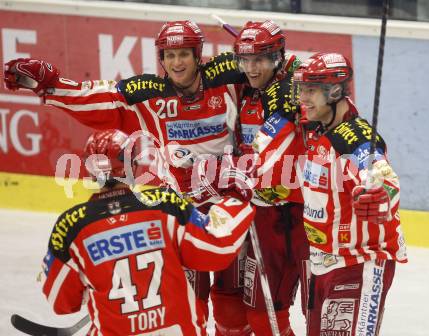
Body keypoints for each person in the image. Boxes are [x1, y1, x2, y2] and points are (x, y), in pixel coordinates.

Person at [3, 19, 247, 323]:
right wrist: (50, 86)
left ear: (198, 55)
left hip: (227, 206)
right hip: (181, 215)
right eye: (169, 56)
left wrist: (259, 48)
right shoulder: (147, 93)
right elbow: (95, 98)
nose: (176, 62)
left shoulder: (230, 77)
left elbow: (271, 69)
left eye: (183, 54)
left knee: (232, 309)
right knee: (187, 301)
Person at [40, 128, 256, 336]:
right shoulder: (166, 205)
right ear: (133, 166)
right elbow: (215, 247)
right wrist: (235, 198)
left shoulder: (71, 226)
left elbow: (61, 302)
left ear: (89, 171)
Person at [291, 52, 407, 335]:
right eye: (301, 89)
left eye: (311, 91)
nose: (302, 98)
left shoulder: (353, 136)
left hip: (359, 261)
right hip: (323, 261)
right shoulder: (318, 127)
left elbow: (383, 174)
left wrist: (380, 193)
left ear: (334, 92)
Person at [210, 20, 309, 336]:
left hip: (284, 217)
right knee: (226, 310)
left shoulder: (298, 88)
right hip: (242, 209)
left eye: (261, 60)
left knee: (266, 318)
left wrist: (244, 167)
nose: (252, 69)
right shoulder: (244, 85)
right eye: (246, 60)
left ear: (278, 57)